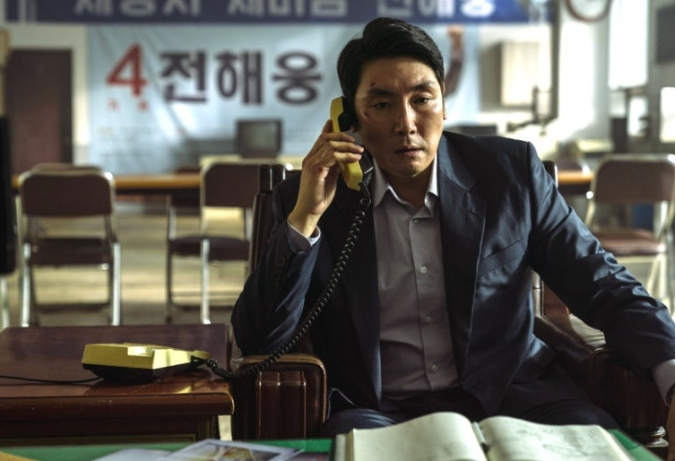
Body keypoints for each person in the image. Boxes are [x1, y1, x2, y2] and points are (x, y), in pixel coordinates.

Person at [231, 17, 674, 457]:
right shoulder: (311, 197)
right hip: (378, 410)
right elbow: (259, 340)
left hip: (517, 398)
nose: (407, 123)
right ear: (349, 118)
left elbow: (603, 284)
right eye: (382, 105)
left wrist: (671, 372)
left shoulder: (510, 174)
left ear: (444, 102)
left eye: (422, 99)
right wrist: (307, 217)